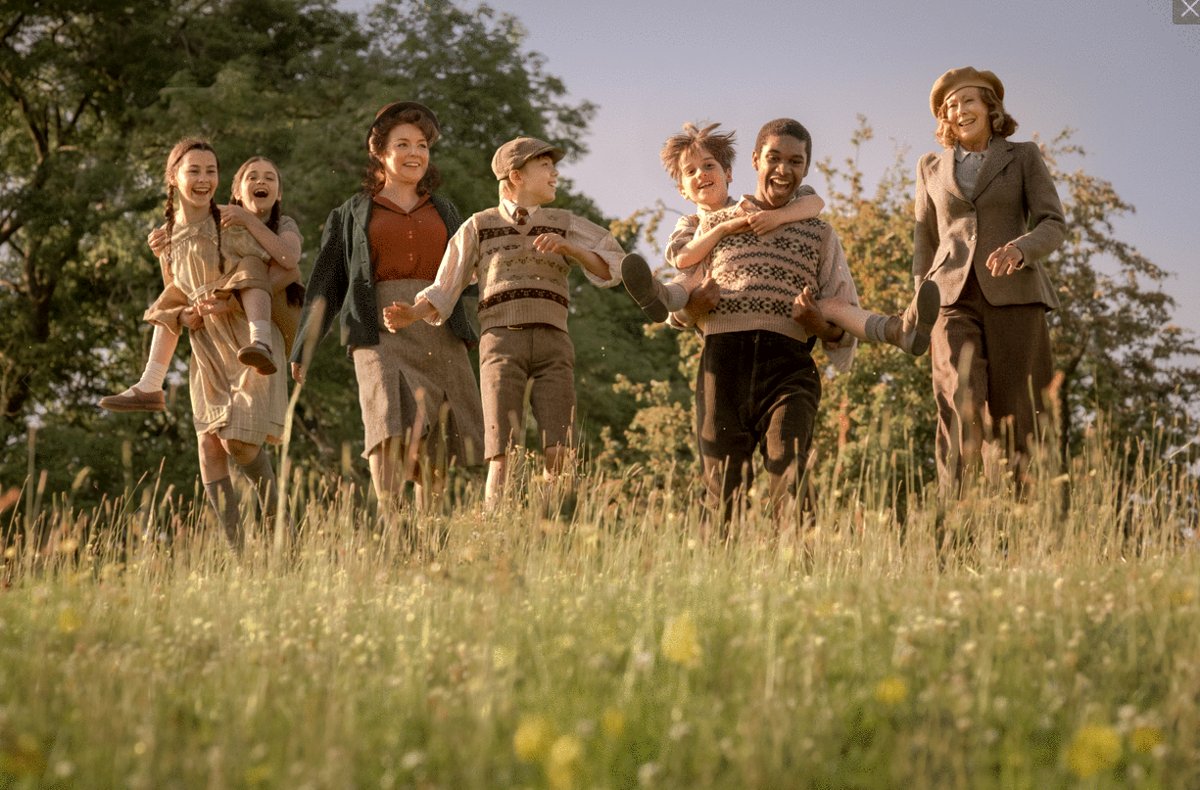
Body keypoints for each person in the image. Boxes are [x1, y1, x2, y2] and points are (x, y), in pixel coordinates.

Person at [384, 136, 624, 504]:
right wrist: (413, 313)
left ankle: (549, 526)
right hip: (500, 343)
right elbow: (446, 285)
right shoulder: (479, 226)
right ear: (516, 176)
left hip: (553, 343)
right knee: (502, 453)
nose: (555, 173)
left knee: (559, 450)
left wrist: (572, 249)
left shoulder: (564, 223)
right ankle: (499, 531)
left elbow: (615, 263)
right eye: (545, 165)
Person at [290, 101, 484, 510]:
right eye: (403, 144)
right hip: (376, 328)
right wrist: (305, 345)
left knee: (434, 437)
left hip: (436, 324)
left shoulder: (445, 210)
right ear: (379, 151)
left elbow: (466, 272)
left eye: (422, 145)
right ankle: (393, 529)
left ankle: (429, 537)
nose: (415, 153)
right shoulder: (351, 214)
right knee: (386, 422)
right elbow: (327, 281)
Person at [626, 122, 939, 356]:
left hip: (787, 340)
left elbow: (814, 203)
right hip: (722, 334)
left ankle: (900, 330)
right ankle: (657, 296)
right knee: (689, 278)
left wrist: (775, 217)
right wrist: (720, 230)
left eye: (709, 166)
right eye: (691, 172)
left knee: (835, 306)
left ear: (728, 173)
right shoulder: (697, 222)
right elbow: (682, 260)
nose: (701, 175)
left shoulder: (772, 216)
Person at [683, 118, 860, 524]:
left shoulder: (820, 234)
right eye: (774, 158)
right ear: (755, 160)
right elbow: (682, 311)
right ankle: (718, 584)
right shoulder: (715, 225)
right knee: (721, 489)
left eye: (795, 161)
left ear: (806, 168)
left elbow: (841, 325)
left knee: (789, 474)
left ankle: (803, 579)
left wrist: (815, 322)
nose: (783, 169)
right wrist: (696, 306)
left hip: (789, 367)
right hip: (721, 367)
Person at [915, 67, 1066, 494]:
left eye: (967, 101)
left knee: (1019, 419)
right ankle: (955, 523)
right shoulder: (929, 167)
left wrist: (1022, 249)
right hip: (949, 297)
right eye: (950, 106)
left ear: (989, 106)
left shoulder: (1022, 156)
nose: (959, 111)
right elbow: (923, 242)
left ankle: (1023, 526)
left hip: (1017, 297)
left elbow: (1053, 222)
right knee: (958, 405)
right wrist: (916, 304)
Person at [133, 138, 288, 549]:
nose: (203, 179)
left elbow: (278, 266)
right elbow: (175, 298)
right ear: (173, 177)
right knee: (208, 446)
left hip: (248, 339)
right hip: (208, 344)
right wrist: (188, 314)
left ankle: (282, 536)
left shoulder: (230, 222)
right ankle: (238, 553)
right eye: (194, 171)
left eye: (210, 171)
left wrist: (226, 297)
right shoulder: (167, 238)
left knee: (238, 442)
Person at [99, 155, 303, 412]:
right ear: (237, 192)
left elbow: (290, 261)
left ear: (279, 193)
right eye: (252, 177)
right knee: (171, 297)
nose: (261, 181)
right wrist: (167, 248)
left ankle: (260, 342)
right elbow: (183, 282)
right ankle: (150, 383)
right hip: (219, 323)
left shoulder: (282, 224)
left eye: (269, 178)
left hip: (271, 319)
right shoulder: (222, 226)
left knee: (251, 265)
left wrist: (232, 301)